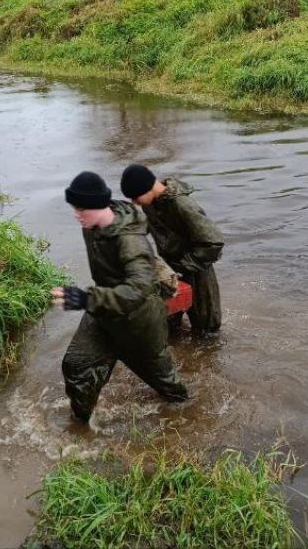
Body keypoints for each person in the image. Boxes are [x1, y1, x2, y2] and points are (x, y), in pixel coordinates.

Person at [52, 171, 188, 423]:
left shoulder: (130, 240)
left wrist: (84, 299)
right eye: (74, 207)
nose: (76, 214)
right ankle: (82, 426)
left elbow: (137, 289)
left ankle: (191, 419)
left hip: (140, 323)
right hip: (103, 314)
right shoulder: (90, 225)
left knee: (169, 388)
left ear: (98, 206)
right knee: (76, 365)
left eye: (80, 208)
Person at [120, 164, 223, 336]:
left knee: (207, 333)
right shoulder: (150, 204)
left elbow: (214, 242)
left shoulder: (183, 205)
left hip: (197, 272)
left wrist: (187, 265)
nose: (134, 203)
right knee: (166, 325)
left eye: (135, 198)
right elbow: (151, 226)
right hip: (170, 271)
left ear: (147, 188)